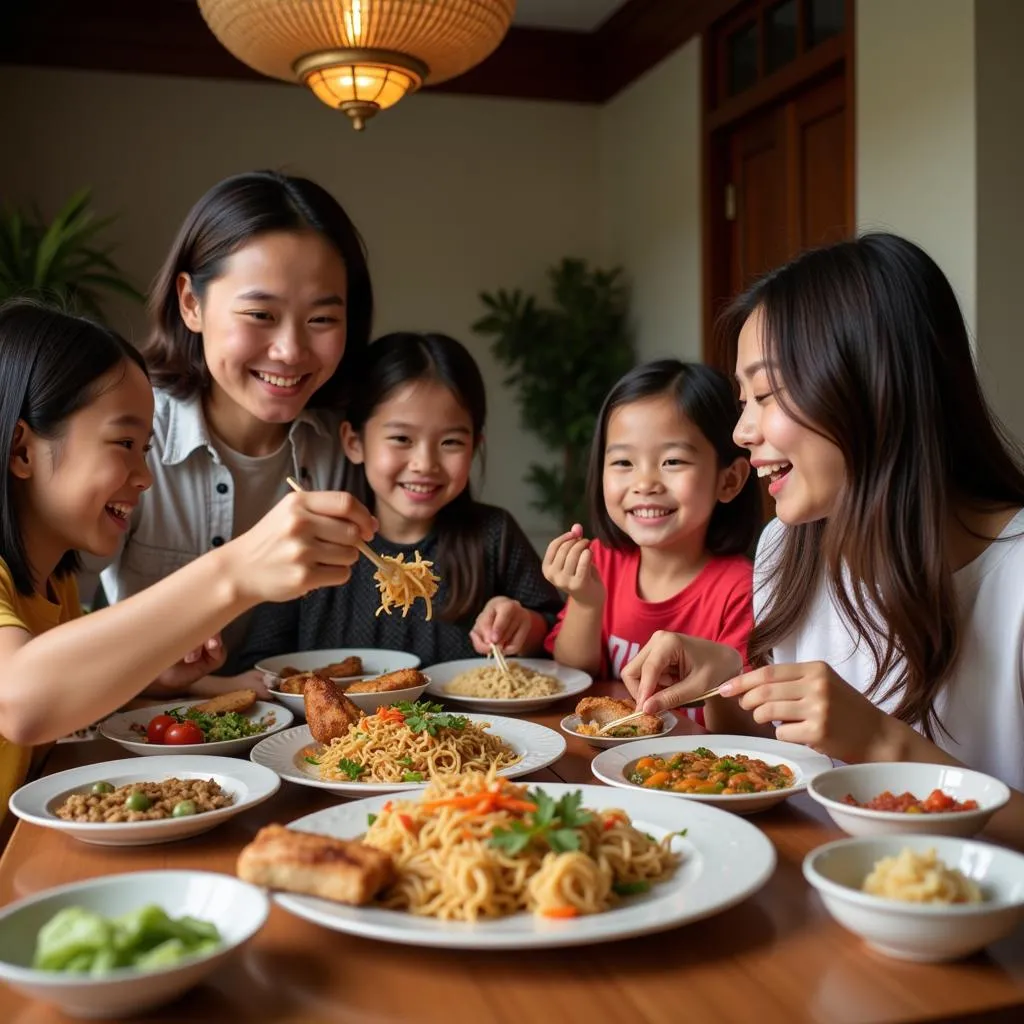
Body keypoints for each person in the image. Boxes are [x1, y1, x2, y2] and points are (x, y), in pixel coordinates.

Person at [621, 233, 1024, 846]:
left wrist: (883, 744)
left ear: (871, 385)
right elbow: (781, 769)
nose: (741, 429)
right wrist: (727, 680)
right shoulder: (789, 547)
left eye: (767, 393)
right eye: (741, 400)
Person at [0, 300, 376, 815]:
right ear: (22, 450)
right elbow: (22, 702)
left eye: (145, 448)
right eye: (123, 442)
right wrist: (235, 572)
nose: (145, 476)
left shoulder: (50, 585)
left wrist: (156, 673)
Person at [97, 170, 373, 687]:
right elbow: (51, 638)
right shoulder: (129, 438)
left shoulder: (350, 445)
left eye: (321, 320)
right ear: (191, 303)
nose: (290, 351)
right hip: (149, 738)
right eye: (260, 314)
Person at [238, 331, 563, 669]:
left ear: (474, 446)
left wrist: (524, 624)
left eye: (450, 442)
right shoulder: (313, 542)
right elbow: (262, 663)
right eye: (401, 438)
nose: (425, 463)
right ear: (354, 442)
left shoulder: (494, 533)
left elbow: (556, 631)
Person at [542, 361, 759, 719]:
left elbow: (742, 723)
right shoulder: (604, 560)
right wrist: (585, 601)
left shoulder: (742, 590)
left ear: (730, 480)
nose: (645, 483)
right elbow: (574, 675)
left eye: (672, 461)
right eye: (624, 462)